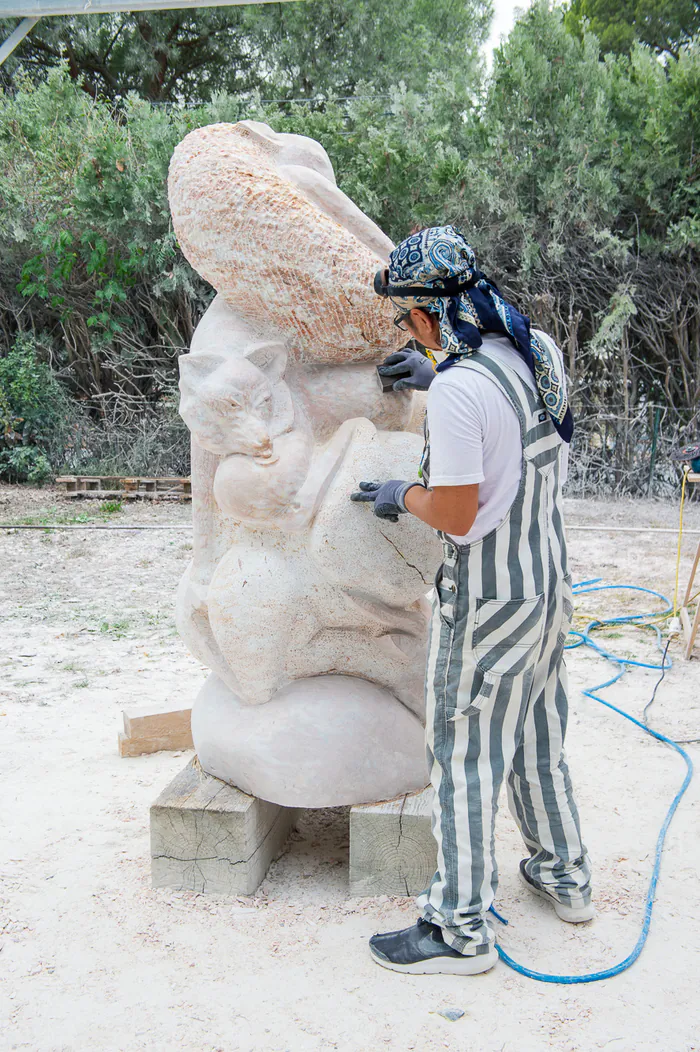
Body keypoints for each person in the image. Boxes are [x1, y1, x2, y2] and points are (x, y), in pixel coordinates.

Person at [351, 226, 593, 976]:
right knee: (536, 739)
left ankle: (457, 929)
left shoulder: (459, 389)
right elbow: (510, 417)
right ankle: (565, 876)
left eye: (408, 320)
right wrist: (434, 373)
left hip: (489, 598)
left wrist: (402, 492)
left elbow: (455, 514)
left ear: (425, 316)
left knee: (461, 755)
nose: (408, 332)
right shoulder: (537, 349)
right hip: (548, 586)